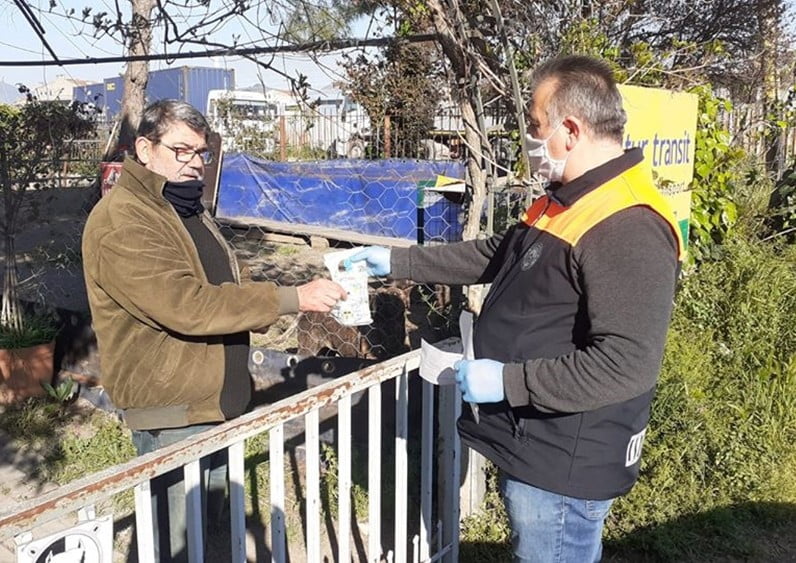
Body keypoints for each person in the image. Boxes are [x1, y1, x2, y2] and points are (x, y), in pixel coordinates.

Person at [346, 55, 683, 562]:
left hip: (565, 456)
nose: (527, 137)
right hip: (535, 439)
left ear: (569, 129)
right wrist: (395, 260)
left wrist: (506, 383)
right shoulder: (568, 198)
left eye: (533, 125)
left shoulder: (626, 224)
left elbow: (626, 364)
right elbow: (498, 255)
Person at [82, 99, 347, 562]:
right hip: (172, 413)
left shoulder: (184, 208)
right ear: (144, 148)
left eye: (201, 153)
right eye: (181, 150)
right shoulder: (123, 220)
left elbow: (227, 282)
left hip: (215, 404)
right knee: (177, 546)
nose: (194, 164)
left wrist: (280, 296)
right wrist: (292, 298)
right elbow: (187, 306)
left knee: (210, 537)